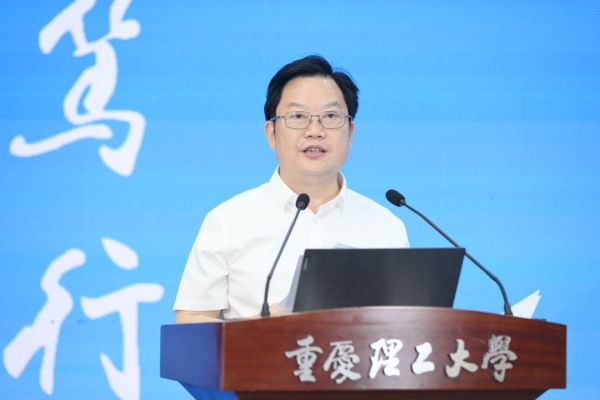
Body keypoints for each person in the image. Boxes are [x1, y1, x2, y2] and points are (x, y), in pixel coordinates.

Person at [174, 55, 409, 323]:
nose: (315, 131)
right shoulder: (227, 222)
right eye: (298, 116)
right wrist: (255, 331)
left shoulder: (385, 227)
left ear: (350, 132)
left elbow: (404, 325)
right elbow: (189, 322)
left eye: (331, 116)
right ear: (271, 133)